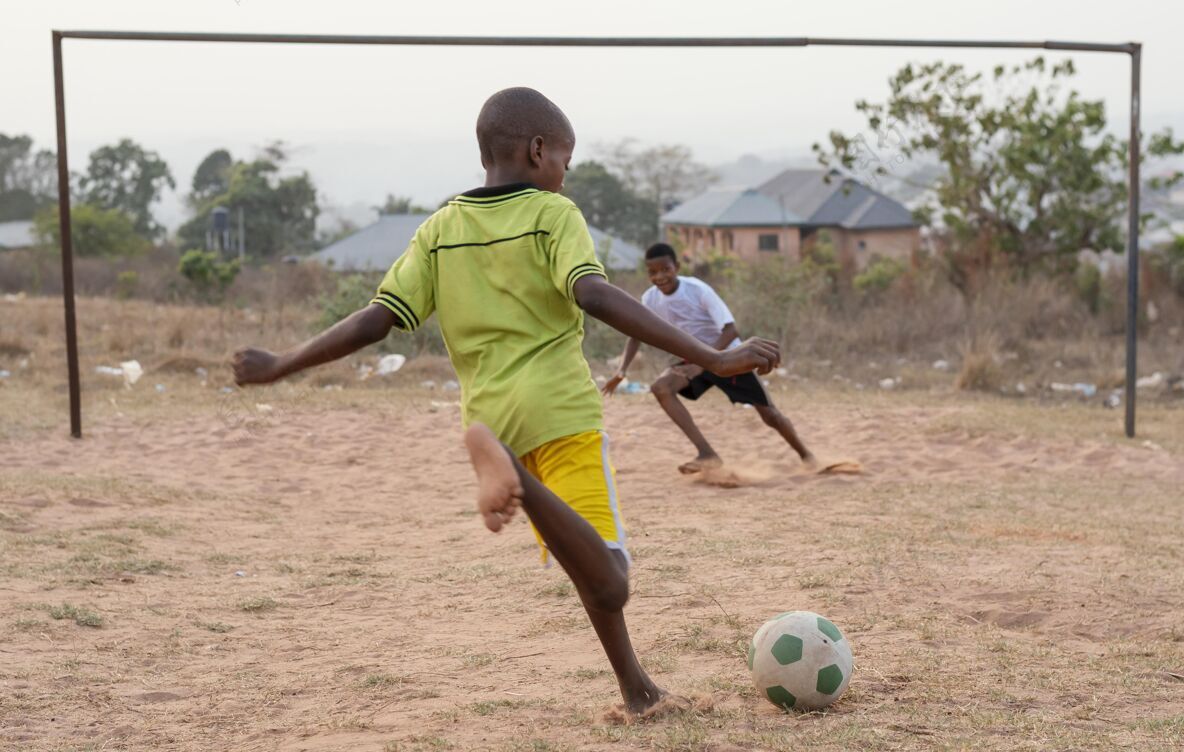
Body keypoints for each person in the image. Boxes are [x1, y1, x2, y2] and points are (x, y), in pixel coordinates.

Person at [231, 87, 780, 715]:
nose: (565, 179)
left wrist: (282, 365)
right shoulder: (552, 215)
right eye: (565, 165)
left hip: (492, 418)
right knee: (611, 578)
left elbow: (378, 318)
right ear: (538, 150)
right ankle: (512, 473)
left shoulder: (440, 228)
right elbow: (595, 296)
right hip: (559, 413)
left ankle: (636, 690)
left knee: (586, 567)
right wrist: (712, 357)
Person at [603, 243, 815, 475]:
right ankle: (707, 454)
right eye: (653, 272)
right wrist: (621, 371)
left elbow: (730, 330)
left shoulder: (698, 290)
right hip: (694, 358)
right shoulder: (650, 298)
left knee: (770, 415)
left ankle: (807, 456)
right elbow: (636, 333)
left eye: (665, 269)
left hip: (729, 357)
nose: (660, 276)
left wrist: (704, 362)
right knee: (661, 388)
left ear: (677, 267)